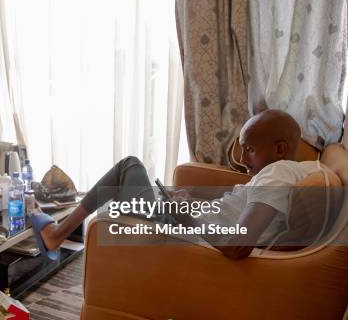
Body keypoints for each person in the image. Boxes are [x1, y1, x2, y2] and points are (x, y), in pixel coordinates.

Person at [32, 110, 323, 260]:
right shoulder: (295, 171)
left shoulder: (278, 174)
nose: (243, 160)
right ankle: (59, 231)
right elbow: (235, 217)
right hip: (183, 221)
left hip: (177, 228)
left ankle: (57, 233)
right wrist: (193, 205)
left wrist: (185, 216)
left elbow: (237, 245)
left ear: (280, 149)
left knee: (128, 165)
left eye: (249, 150)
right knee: (126, 185)